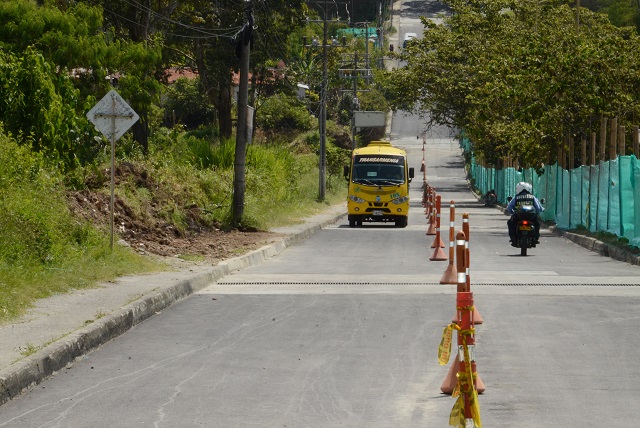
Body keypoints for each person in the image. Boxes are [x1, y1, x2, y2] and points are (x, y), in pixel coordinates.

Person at [506, 182, 544, 246]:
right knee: (537, 224)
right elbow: (538, 208)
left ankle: (513, 238)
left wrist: (512, 212)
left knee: (511, 223)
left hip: (518, 216)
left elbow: (509, 208)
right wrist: (540, 211)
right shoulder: (532, 197)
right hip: (531, 216)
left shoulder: (516, 197)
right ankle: (535, 238)